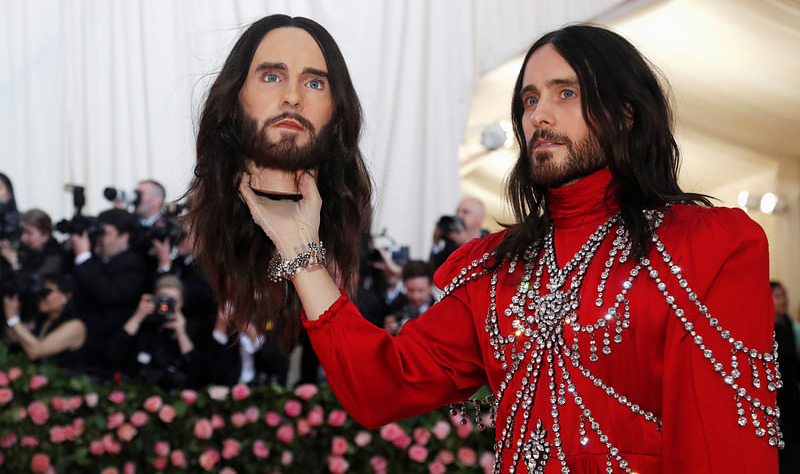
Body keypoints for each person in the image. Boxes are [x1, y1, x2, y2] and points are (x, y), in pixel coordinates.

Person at [239, 24, 779, 472]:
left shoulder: (703, 247)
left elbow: (718, 450)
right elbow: (382, 386)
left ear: (626, 113)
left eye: (566, 93)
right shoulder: (494, 271)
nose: (538, 116)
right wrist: (300, 248)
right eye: (529, 100)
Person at [185, 14, 371, 347]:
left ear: (337, 116)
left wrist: (301, 247)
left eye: (314, 83)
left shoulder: (353, 239)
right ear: (234, 100)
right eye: (272, 76)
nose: (292, 97)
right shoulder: (195, 246)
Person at [71, 208, 147, 370]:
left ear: (123, 237)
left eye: (105, 233)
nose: (98, 238)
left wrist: (84, 258)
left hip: (109, 348)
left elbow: (107, 294)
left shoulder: (133, 264)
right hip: (82, 345)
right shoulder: (94, 259)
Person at [105, 275, 204, 389]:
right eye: (163, 299)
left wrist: (181, 334)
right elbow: (113, 354)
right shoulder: (142, 322)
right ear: (155, 299)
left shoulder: (191, 327)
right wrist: (138, 317)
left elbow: (196, 371)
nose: (166, 306)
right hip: (136, 387)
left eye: (172, 301)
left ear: (181, 303)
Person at [3, 274, 87, 371]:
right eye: (40, 292)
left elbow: (35, 351)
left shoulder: (76, 326)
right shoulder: (42, 321)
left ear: (66, 296)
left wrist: (12, 318)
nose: (41, 297)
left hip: (64, 384)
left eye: (46, 292)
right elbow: (13, 340)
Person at [771, 281, 800, 473]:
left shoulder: (790, 325)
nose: (784, 300)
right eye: (779, 296)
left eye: (784, 295)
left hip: (792, 398)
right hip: (777, 401)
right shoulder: (767, 331)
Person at [383, 260, 435, 335]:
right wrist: (388, 333)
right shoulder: (394, 308)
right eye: (410, 290)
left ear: (431, 287)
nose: (415, 297)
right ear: (404, 285)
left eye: (420, 290)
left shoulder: (441, 311)